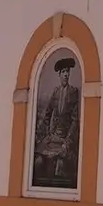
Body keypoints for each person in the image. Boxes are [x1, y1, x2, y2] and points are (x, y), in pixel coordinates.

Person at [34, 57, 80, 185]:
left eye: (68, 72)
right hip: (53, 137)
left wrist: (68, 141)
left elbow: (75, 121)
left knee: (60, 165)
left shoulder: (73, 92)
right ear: (59, 75)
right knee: (39, 160)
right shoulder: (55, 92)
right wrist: (44, 134)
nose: (66, 74)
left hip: (65, 138)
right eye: (64, 72)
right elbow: (47, 115)